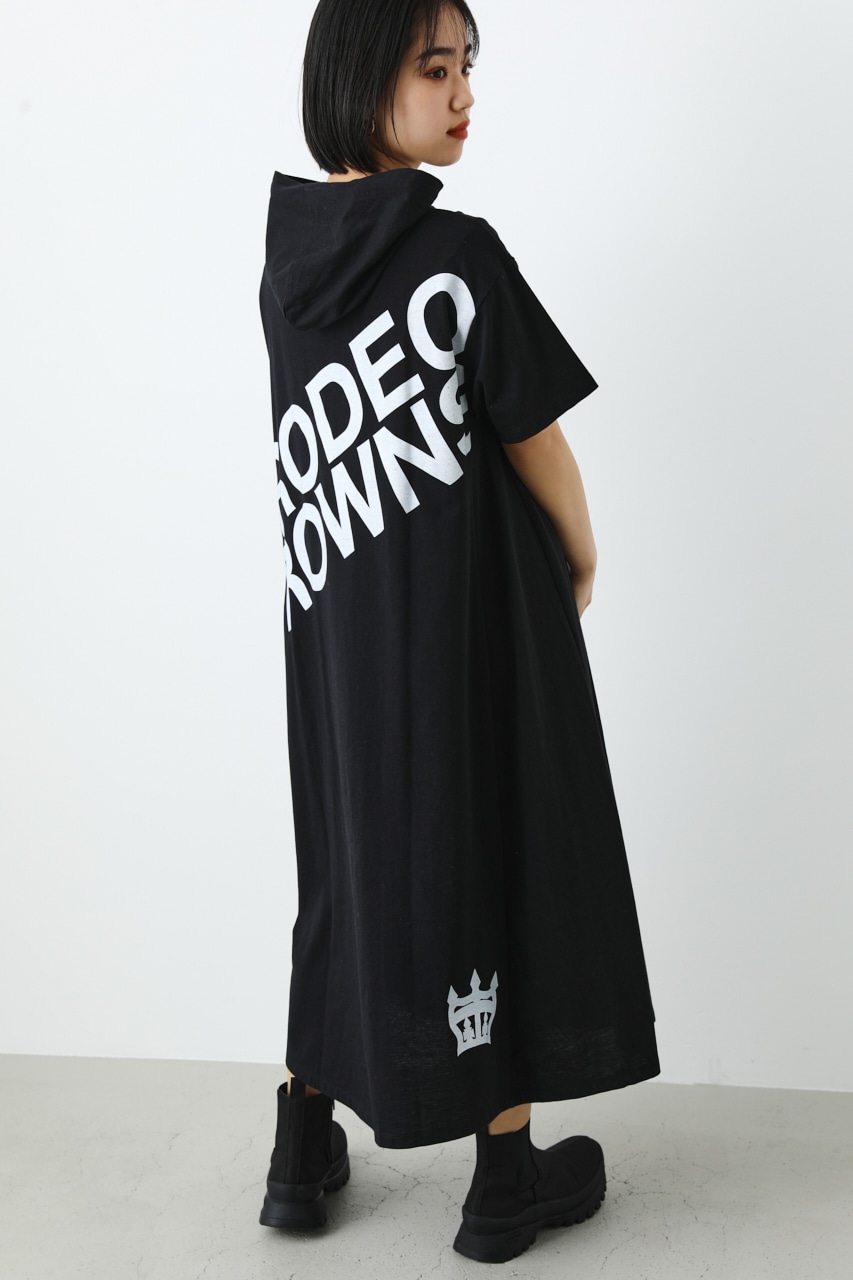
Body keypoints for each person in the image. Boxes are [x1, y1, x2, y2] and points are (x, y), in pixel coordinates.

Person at [256, 0, 660, 1263]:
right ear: (360, 76)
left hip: (337, 633)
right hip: (471, 620)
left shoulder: (283, 265)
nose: (464, 93)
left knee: (344, 863)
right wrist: (582, 548)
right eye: (436, 69)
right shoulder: (457, 255)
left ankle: (300, 1146)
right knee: (500, 844)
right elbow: (533, 433)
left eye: (467, 67)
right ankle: (502, 1179)